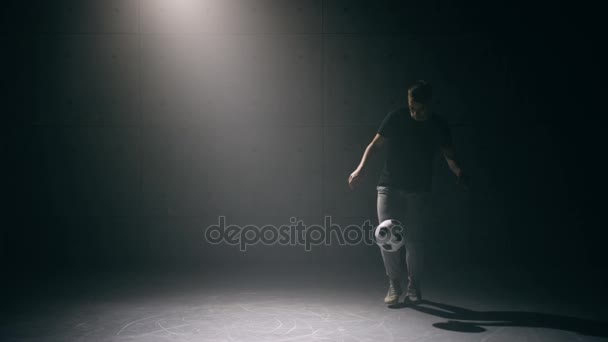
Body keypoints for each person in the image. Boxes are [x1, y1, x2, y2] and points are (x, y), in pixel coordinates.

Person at [348, 80, 469, 305]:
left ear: (430, 105)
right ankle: (394, 284)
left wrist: (459, 172)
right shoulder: (396, 117)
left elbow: (449, 156)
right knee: (385, 236)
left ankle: (414, 285)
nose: (415, 112)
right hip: (389, 186)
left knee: (414, 241)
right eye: (412, 107)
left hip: (418, 190)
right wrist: (360, 169)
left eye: (420, 109)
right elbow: (374, 145)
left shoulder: (439, 125)